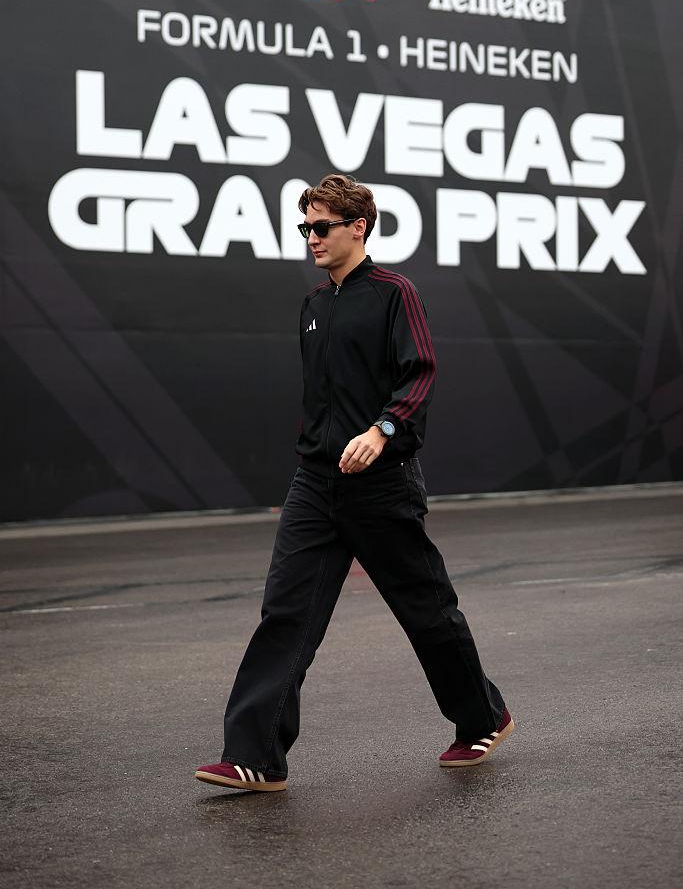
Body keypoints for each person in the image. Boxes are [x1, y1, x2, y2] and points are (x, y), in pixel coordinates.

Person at [195, 174, 513, 792]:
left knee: (426, 611)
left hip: (382, 482)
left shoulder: (395, 293)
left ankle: (482, 717)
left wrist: (382, 430)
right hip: (316, 485)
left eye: (322, 227)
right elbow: (319, 398)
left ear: (358, 227)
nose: (311, 237)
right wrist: (317, 450)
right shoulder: (313, 306)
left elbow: (420, 373)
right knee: (285, 613)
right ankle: (255, 756)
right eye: (305, 227)